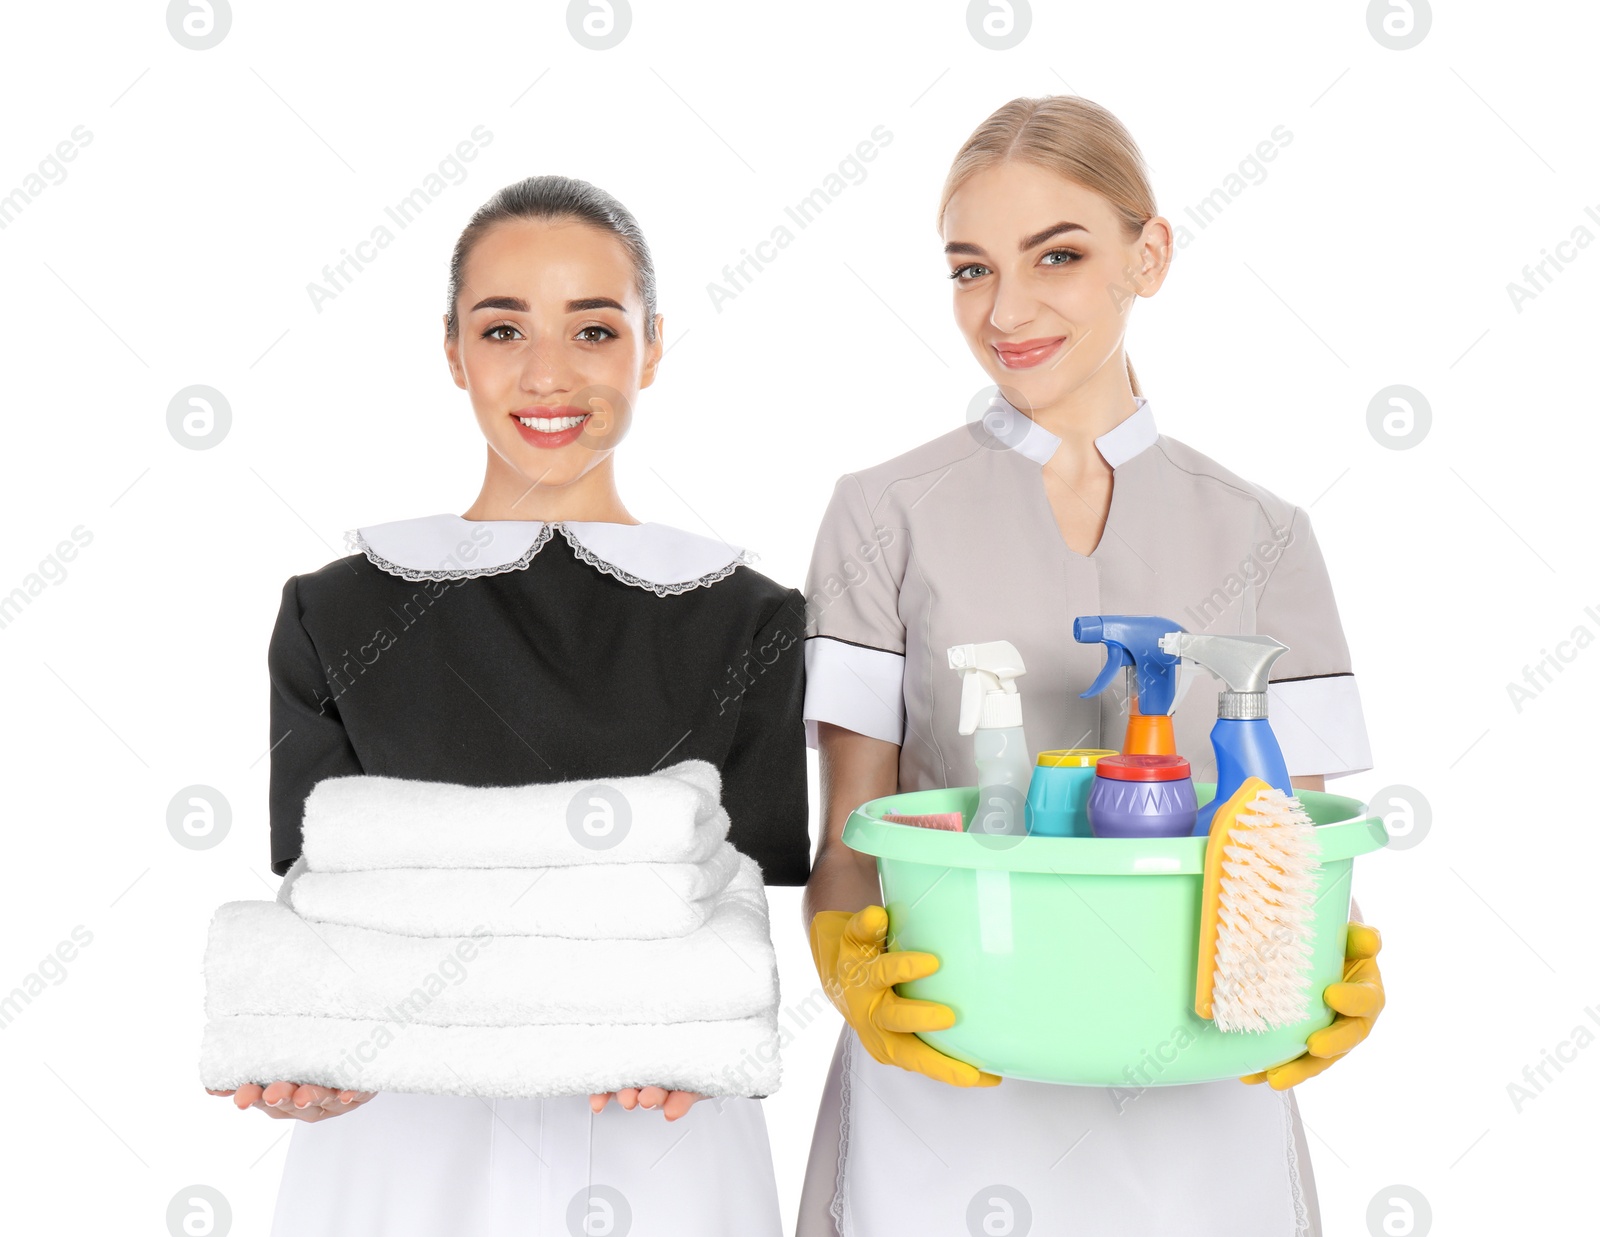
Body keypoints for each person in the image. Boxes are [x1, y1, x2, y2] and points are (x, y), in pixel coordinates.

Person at [797, 96, 1387, 1236]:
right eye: (970, 269)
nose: (1005, 310)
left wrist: (1332, 967)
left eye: (1056, 256)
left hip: (1201, 1072)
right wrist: (846, 971)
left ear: (1148, 254)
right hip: (959, 1064)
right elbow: (848, 837)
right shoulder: (881, 515)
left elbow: (1300, 850)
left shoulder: (1265, 533)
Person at [205, 174, 809, 1237]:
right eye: (502, 328)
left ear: (651, 347)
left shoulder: (747, 619)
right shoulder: (334, 612)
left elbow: (743, 905)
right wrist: (314, 1048)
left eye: (592, 328)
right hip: (399, 1148)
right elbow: (319, 893)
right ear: (452, 352)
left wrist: (709, 1038)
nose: (546, 373)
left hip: (658, 1141)